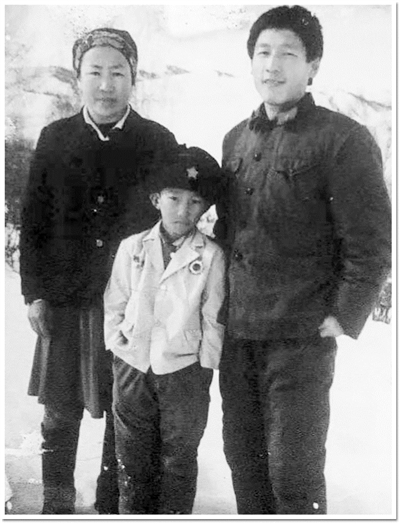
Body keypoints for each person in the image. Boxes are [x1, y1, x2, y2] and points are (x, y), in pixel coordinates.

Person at [215, 5, 392, 515]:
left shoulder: (343, 139)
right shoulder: (236, 138)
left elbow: (371, 243)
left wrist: (343, 315)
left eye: (288, 54)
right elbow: (228, 233)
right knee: (243, 459)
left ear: (313, 65)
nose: (272, 65)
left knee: (293, 471)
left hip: (301, 336)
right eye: (263, 52)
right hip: (239, 333)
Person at [19, 27, 178, 515]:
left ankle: (112, 505)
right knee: (58, 411)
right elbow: (34, 220)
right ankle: (56, 502)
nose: (106, 85)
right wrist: (34, 293)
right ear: (78, 77)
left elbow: (171, 223)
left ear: (134, 77)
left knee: (124, 412)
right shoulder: (55, 138)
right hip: (64, 298)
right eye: (95, 72)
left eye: (117, 73)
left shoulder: (157, 141)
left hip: (129, 304)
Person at [104, 145, 226, 514]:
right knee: (132, 458)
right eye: (174, 198)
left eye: (194, 202)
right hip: (133, 365)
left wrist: (204, 367)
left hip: (184, 370)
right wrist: (118, 345)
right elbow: (115, 301)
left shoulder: (211, 255)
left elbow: (214, 315)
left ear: (204, 208)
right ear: (156, 199)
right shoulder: (132, 247)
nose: (182, 210)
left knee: (179, 457)